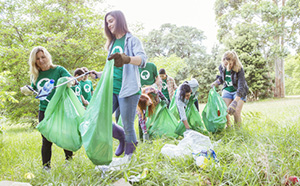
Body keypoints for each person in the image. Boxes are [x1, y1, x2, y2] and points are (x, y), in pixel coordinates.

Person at [90, 10, 147, 157]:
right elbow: (110, 69)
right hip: (112, 89)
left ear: (120, 20)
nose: (109, 25)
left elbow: (142, 60)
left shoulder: (132, 40)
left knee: (128, 125)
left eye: (111, 21)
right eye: (107, 23)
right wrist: (97, 74)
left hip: (128, 89)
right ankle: (122, 138)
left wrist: (127, 59)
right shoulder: (112, 44)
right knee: (100, 119)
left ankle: (130, 157)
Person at [20, 46, 74, 171]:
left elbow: (71, 79)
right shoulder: (36, 75)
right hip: (44, 109)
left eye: (43, 57)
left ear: (47, 57)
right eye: (37, 58)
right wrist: (27, 90)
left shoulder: (58, 69)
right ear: (34, 61)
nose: (41, 60)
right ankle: (46, 167)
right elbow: (33, 90)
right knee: (46, 139)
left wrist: (70, 81)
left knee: (64, 134)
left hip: (60, 108)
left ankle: (69, 160)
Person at [211, 50, 248, 128]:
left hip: (238, 91)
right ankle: (229, 126)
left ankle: (239, 132)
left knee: (236, 112)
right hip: (227, 90)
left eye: (228, 61)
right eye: (224, 60)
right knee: (224, 110)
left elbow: (241, 86)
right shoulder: (222, 67)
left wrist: (235, 102)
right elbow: (222, 77)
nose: (225, 63)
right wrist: (216, 82)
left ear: (233, 61)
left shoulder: (239, 69)